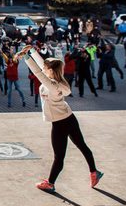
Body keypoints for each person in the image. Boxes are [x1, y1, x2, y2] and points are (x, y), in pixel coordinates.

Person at [17, 45, 102, 193]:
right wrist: (31, 51)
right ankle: (94, 172)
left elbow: (38, 72)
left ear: (50, 70)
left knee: (59, 156)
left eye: (47, 67)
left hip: (60, 123)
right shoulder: (56, 80)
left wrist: (25, 58)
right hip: (68, 118)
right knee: (81, 146)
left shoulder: (52, 85)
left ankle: (50, 183)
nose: (45, 67)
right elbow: (43, 66)